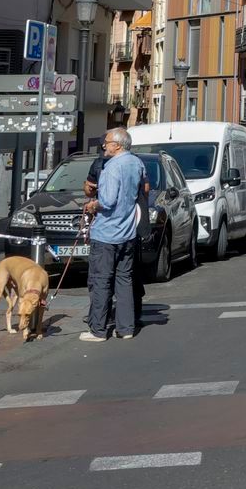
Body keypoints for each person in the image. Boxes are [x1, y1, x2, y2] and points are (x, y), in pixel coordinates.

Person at [80, 128, 143, 342]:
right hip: (128, 231)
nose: (104, 146)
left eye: (106, 142)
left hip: (107, 233)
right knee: (125, 280)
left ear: (117, 144)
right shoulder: (136, 163)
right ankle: (126, 328)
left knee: (101, 280)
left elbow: (107, 201)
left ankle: (98, 330)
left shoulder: (111, 168)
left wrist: (91, 205)